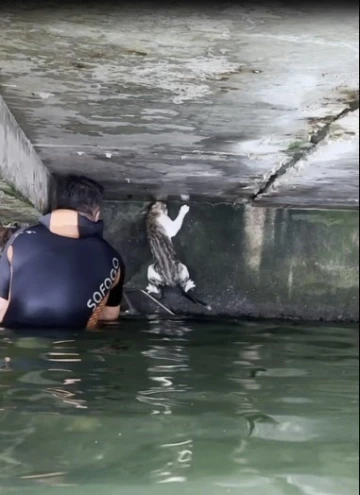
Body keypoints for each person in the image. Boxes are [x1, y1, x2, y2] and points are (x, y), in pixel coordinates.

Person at [0, 175, 125, 329]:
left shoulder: (19, 239)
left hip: (14, 345)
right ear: (97, 214)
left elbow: (1, 308)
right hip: (73, 348)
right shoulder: (113, 258)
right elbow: (109, 316)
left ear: (56, 206)